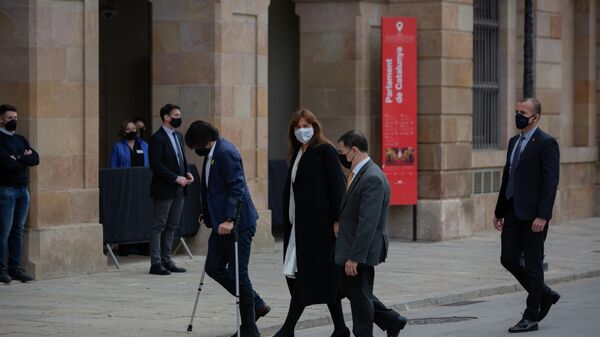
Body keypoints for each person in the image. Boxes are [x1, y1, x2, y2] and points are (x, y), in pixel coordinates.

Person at [185, 120, 269, 337]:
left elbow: (236, 186)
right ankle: (256, 303)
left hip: (237, 224)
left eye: (196, 146)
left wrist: (230, 218)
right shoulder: (212, 153)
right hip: (220, 223)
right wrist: (208, 212)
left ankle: (249, 328)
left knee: (238, 273)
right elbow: (212, 188)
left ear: (205, 140)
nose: (196, 151)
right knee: (213, 267)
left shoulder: (225, 152)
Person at [274, 109, 349, 337]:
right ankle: (341, 328)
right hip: (299, 226)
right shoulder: (297, 152)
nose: (301, 131)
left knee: (305, 275)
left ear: (315, 127)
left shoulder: (324, 151)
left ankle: (288, 329)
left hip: (320, 226)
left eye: (306, 126)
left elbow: (337, 186)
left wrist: (337, 220)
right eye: (297, 127)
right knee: (321, 278)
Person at [493, 98, 560, 333]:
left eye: (523, 112)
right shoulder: (514, 142)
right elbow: (508, 178)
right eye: (516, 111)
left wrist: (543, 215)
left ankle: (531, 315)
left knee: (533, 264)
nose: (518, 116)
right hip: (512, 211)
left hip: (534, 216)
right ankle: (544, 293)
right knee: (508, 258)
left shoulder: (547, 143)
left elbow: (550, 183)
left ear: (536, 117)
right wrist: (499, 211)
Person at [335, 130, 407, 337]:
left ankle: (367, 332)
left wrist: (355, 257)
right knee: (356, 293)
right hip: (350, 246)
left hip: (361, 251)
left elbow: (368, 223)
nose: (341, 156)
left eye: (342, 151)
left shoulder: (372, 178)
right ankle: (392, 320)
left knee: (360, 300)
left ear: (353, 150)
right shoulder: (361, 173)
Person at [148, 104, 194, 275]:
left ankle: (167, 259)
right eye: (176, 115)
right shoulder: (157, 138)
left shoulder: (178, 136)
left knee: (172, 225)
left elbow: (181, 158)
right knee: (158, 225)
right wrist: (175, 177)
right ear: (166, 117)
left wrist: (187, 173)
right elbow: (156, 165)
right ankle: (156, 262)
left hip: (179, 188)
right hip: (164, 187)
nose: (178, 117)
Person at [0, 104, 39, 284]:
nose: (14, 121)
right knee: (4, 231)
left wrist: (19, 158)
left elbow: (35, 158)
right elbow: (8, 165)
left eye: (15, 118)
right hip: (6, 190)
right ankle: (1, 269)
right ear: (1, 120)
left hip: (23, 190)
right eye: (10, 118)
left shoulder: (21, 139)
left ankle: (15, 267)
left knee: (18, 230)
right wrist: (21, 159)